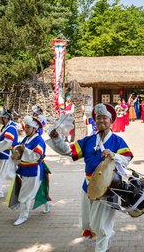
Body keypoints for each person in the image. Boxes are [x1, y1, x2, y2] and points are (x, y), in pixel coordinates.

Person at [49, 103, 133, 252]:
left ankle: (101, 247)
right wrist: (57, 139)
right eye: (98, 118)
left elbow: (126, 159)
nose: (101, 121)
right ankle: (106, 237)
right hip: (87, 187)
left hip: (108, 188)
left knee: (102, 224)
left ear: (110, 120)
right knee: (90, 222)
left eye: (104, 118)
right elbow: (69, 151)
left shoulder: (117, 141)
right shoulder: (88, 141)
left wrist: (114, 155)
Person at [12, 116, 52, 225]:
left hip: (33, 169)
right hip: (26, 169)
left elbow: (37, 155)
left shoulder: (38, 140)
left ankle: (23, 216)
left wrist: (24, 150)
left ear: (34, 129)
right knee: (38, 189)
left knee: (25, 195)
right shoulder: (27, 138)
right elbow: (20, 150)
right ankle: (48, 203)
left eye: (28, 127)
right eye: (25, 127)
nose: (26, 129)